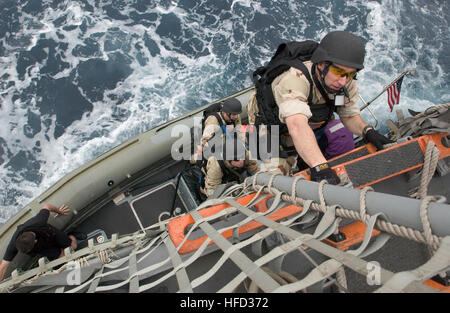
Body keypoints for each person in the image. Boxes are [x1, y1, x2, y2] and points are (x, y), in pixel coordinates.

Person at [247, 31, 393, 183]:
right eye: (338, 71)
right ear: (321, 64)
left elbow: (348, 115)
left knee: (341, 136)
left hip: (311, 119)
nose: (343, 81)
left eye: (350, 74)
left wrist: (367, 131)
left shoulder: (343, 82)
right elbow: (296, 125)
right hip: (272, 125)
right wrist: (319, 166)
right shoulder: (294, 79)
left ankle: (307, 160)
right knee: (277, 179)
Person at [0, 204, 81, 281]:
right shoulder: (14, 244)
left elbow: (47, 206)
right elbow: (3, 267)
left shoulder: (38, 221)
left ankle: (70, 234)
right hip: (42, 248)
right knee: (63, 255)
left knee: (73, 246)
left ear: (35, 241)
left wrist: (59, 211)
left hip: (51, 234)